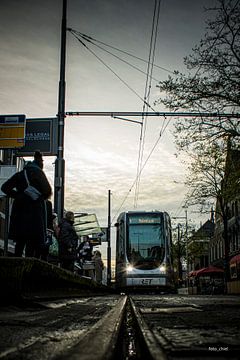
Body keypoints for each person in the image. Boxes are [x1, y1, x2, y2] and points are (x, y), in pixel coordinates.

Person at [1, 151, 52, 258]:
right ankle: (28, 268)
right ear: (40, 163)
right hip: (35, 213)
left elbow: (4, 188)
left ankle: (17, 266)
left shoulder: (20, 174)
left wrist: (18, 196)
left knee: (20, 243)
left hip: (20, 212)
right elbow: (47, 191)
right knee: (32, 243)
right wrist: (38, 197)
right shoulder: (39, 174)